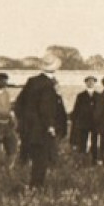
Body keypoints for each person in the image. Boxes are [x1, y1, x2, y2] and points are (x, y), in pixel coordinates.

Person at [14, 56, 69, 191]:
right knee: (41, 159)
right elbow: (46, 108)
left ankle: (34, 185)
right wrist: (50, 125)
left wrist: (24, 121)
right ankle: (36, 186)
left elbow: (19, 103)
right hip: (42, 129)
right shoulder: (48, 85)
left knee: (36, 157)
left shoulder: (33, 81)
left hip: (29, 128)